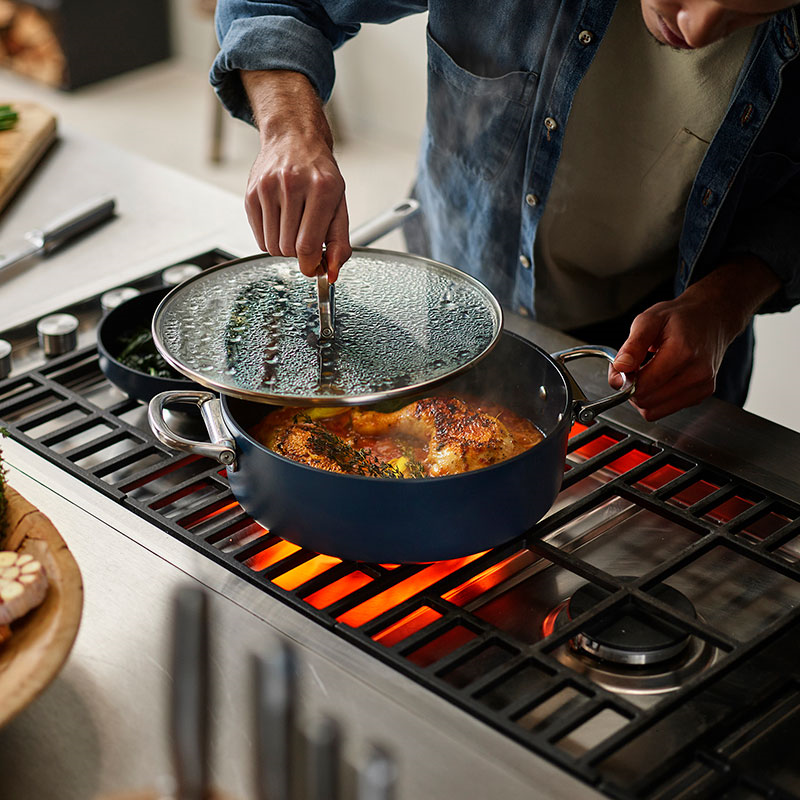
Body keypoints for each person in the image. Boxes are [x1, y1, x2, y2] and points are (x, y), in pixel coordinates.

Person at [209, 0, 800, 421]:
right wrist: (291, 130)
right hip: (448, 312)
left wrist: (723, 304)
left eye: (746, 13)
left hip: (669, 363)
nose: (697, 28)